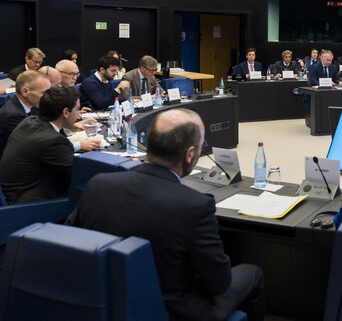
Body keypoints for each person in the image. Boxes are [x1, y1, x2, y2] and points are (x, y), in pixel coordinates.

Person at [66, 109, 265, 321]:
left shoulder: (98, 184)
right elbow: (219, 284)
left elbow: (71, 240)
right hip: (172, 311)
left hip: (105, 298)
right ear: (190, 154)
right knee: (253, 273)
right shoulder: (195, 206)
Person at [0, 87, 100, 204]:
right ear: (66, 112)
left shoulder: (30, 121)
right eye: (77, 109)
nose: (79, 114)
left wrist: (71, 126)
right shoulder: (53, 141)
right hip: (30, 206)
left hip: (14, 194)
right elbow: (80, 175)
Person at [0, 71, 50, 158]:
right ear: (25, 91)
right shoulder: (13, 115)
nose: (47, 97)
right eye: (43, 93)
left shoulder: (29, 106)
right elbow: (33, 146)